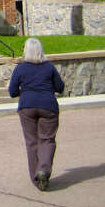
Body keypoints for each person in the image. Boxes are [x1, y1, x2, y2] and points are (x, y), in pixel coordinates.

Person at [8, 38, 65, 191]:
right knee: (47, 139)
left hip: (27, 106)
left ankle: (36, 178)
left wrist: (26, 92)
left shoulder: (20, 68)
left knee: (31, 142)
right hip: (48, 106)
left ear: (26, 51)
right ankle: (44, 170)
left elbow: (12, 92)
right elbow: (60, 87)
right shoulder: (49, 67)